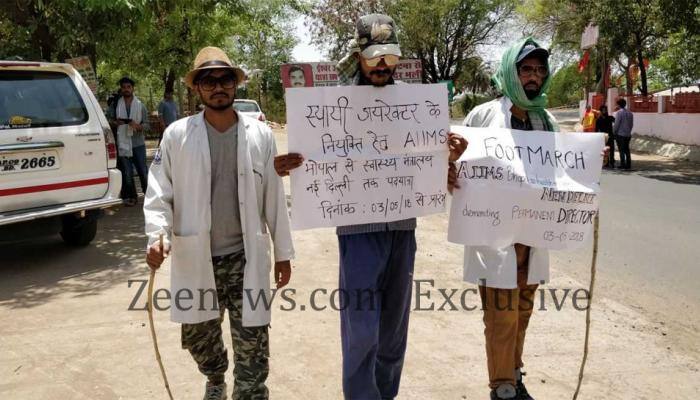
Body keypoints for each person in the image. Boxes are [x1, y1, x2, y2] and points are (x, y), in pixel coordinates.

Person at [274, 14, 466, 400]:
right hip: (357, 234)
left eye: (390, 58)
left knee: (394, 331)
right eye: (375, 57)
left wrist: (447, 162)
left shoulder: (416, 105)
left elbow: (429, 167)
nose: (382, 66)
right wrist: (285, 166)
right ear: (359, 56)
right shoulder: (332, 105)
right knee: (361, 330)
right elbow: (311, 158)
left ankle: (385, 394)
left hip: (402, 231)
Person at [144, 46, 295, 400]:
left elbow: (273, 197)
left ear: (235, 84)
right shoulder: (177, 136)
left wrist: (283, 253)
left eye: (224, 79)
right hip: (197, 258)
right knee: (199, 339)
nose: (217, 87)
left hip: (246, 259)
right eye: (208, 81)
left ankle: (250, 391)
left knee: (253, 347)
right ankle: (215, 379)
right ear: (196, 89)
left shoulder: (260, 136)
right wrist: (157, 236)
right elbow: (159, 193)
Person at [107, 76, 150, 206]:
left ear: (132, 88)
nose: (126, 90)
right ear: (121, 89)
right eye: (124, 87)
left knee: (143, 171)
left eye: (128, 87)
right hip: (123, 143)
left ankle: (149, 196)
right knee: (127, 172)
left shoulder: (140, 105)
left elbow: (147, 125)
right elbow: (108, 121)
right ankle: (131, 197)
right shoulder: (115, 105)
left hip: (138, 144)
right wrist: (116, 122)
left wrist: (138, 126)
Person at [614, 98, 634, 169]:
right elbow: (631, 124)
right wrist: (628, 131)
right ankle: (628, 164)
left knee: (621, 150)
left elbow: (616, 124)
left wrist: (614, 132)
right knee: (627, 149)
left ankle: (623, 164)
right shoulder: (630, 113)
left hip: (620, 134)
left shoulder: (619, 113)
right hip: (628, 134)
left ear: (618, 105)